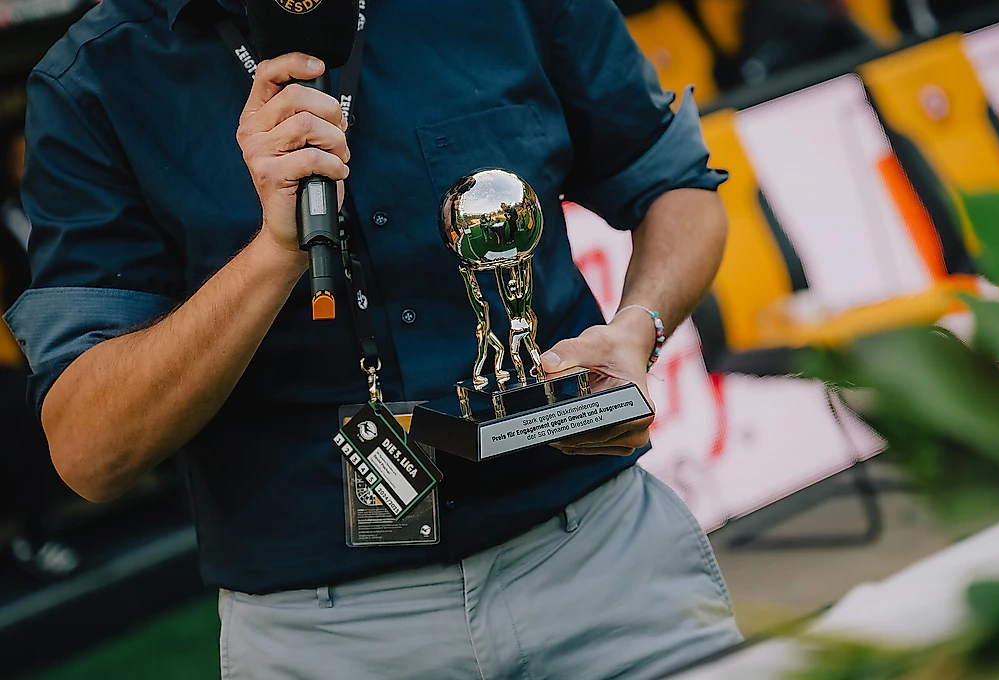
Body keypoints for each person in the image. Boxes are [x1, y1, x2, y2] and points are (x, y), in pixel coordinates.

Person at [5, 0, 740, 677]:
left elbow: (676, 183)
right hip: (325, 630)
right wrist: (273, 254)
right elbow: (90, 452)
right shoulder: (96, 77)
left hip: (599, 556)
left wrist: (636, 328)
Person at [0, 123, 81, 580]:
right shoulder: (5, 221)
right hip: (21, 355)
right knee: (24, 425)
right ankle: (37, 537)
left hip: (77, 338)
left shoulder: (76, 209)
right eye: (21, 157)